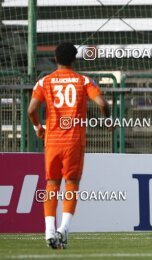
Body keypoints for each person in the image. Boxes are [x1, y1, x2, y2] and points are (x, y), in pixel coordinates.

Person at [27, 42, 110, 249]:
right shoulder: (83, 81)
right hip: (73, 141)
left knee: (51, 184)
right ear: (74, 60)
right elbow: (102, 103)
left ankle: (48, 231)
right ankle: (64, 228)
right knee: (71, 184)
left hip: (52, 141)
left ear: (56, 59)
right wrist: (107, 120)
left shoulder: (44, 82)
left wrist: (38, 126)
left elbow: (31, 109)